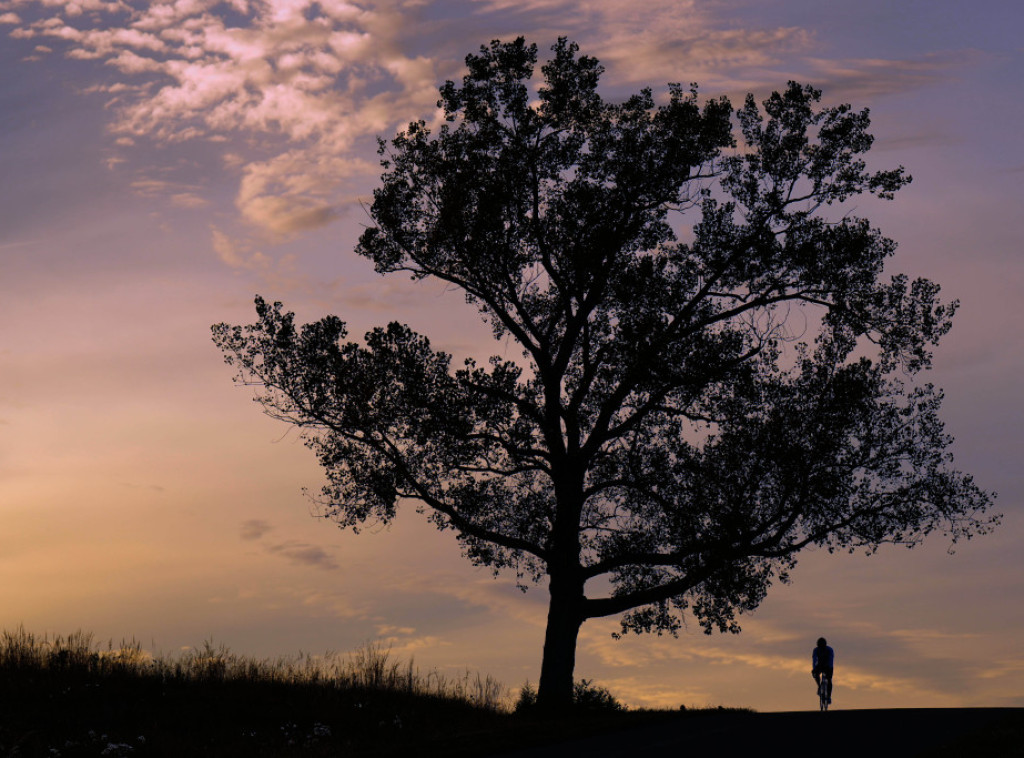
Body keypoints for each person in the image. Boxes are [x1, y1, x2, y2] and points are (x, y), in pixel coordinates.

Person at [812, 637, 835, 704]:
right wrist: (814, 668)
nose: (821, 648)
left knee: (829, 680)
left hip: (828, 666)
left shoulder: (829, 650)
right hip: (820, 665)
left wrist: (829, 667)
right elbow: (814, 660)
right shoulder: (816, 650)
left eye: (822, 646)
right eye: (820, 646)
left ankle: (829, 696)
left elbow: (831, 660)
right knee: (815, 674)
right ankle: (819, 686)